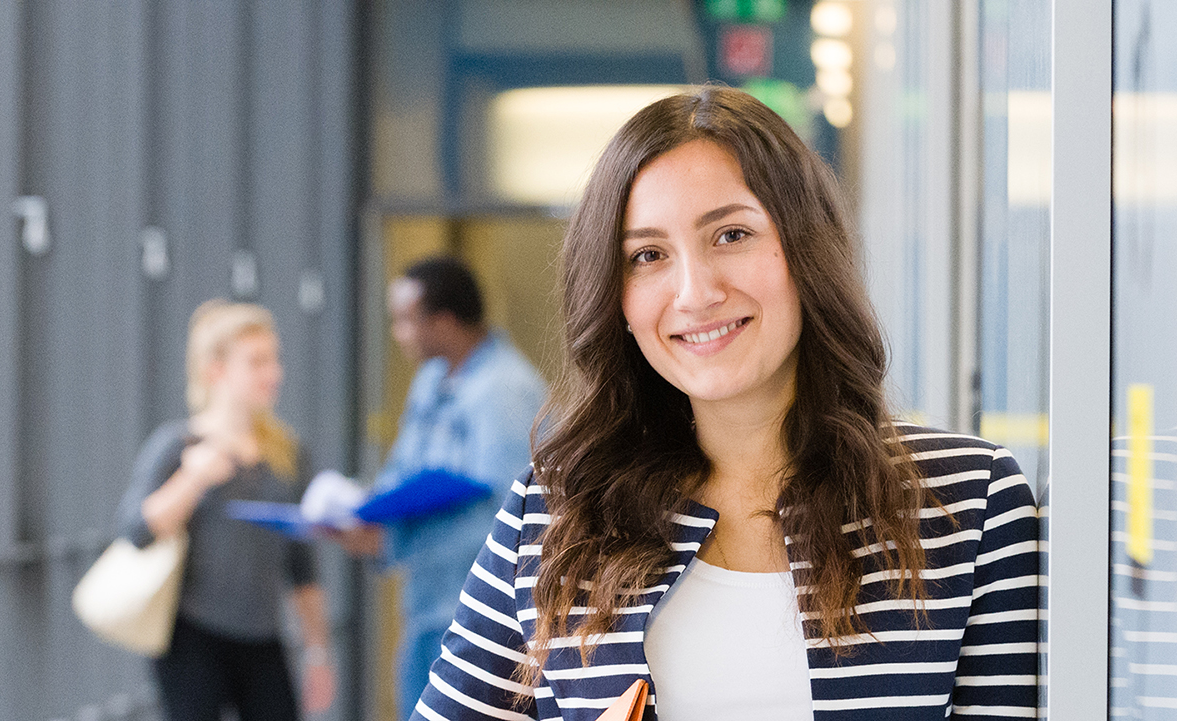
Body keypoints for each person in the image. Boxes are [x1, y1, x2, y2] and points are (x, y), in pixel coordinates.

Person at [413, 87, 1040, 721]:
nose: (695, 293)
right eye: (648, 255)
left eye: (731, 234)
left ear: (808, 251)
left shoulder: (970, 502)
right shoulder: (554, 514)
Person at [335, 257, 546, 718]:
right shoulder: (431, 379)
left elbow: (511, 517)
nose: (398, 334)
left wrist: (395, 541)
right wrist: (362, 516)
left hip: (482, 615)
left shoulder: (506, 391)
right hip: (427, 605)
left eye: (405, 320)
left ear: (445, 321)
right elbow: (403, 472)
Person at [116, 300, 335, 721]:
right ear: (216, 370)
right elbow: (135, 530)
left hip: (264, 638)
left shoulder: (288, 454)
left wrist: (318, 652)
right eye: (256, 362)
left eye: (274, 359)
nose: (273, 373)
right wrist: (192, 478)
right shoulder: (178, 446)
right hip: (191, 637)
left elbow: (302, 565)